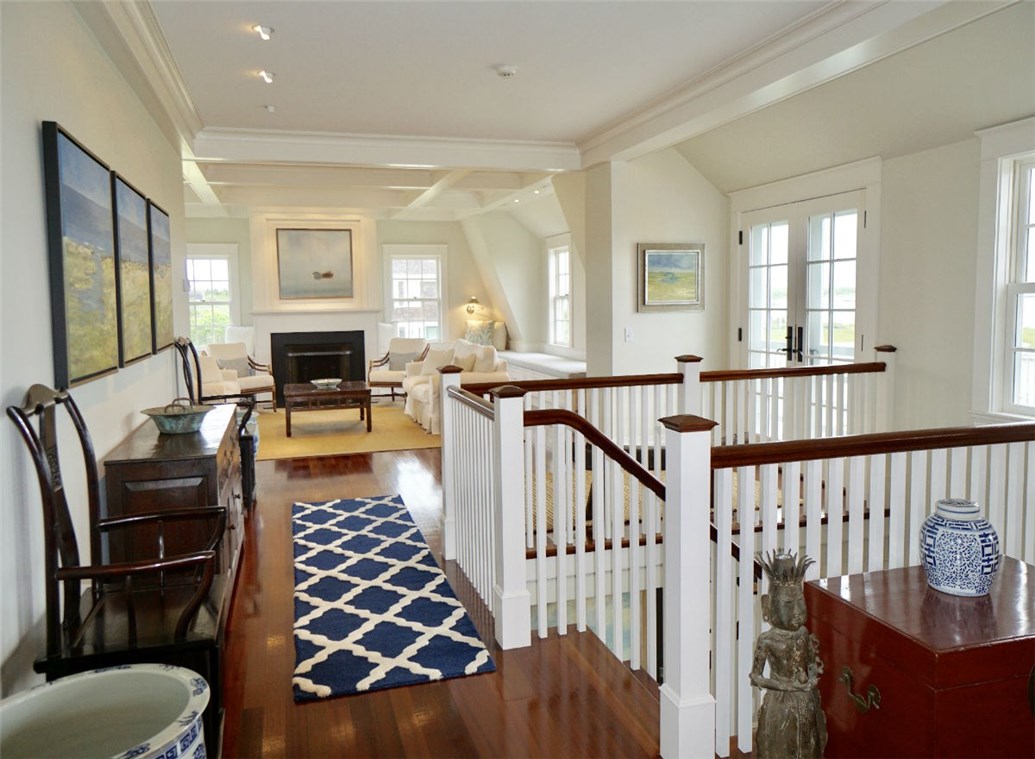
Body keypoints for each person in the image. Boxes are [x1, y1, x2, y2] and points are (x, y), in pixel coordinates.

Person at [749, 550, 827, 759]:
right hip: (780, 705)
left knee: (809, 746)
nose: (796, 612)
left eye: (800, 602)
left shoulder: (803, 634)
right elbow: (755, 677)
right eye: (788, 604)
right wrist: (785, 685)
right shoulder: (767, 640)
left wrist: (811, 679)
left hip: (805, 701)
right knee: (779, 747)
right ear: (768, 606)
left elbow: (811, 662)